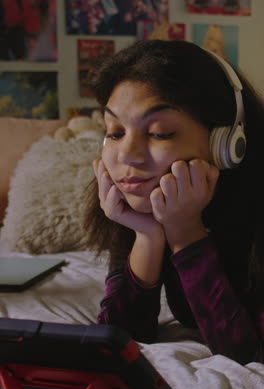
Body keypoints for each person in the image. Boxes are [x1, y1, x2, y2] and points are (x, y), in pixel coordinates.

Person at [84, 39, 264, 365]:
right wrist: (148, 235)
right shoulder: (139, 201)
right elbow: (120, 338)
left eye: (159, 132)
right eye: (115, 131)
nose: (126, 155)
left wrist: (185, 232)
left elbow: (246, 354)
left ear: (227, 143)